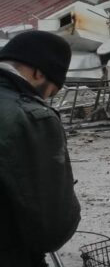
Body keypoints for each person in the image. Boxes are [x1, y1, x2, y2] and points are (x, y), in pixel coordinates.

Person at [0, 31, 80, 266]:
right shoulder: (31, 117)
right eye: (51, 92)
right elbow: (51, 229)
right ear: (38, 72)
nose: (46, 99)